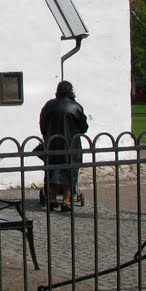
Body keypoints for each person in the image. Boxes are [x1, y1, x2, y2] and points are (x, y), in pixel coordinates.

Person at [39, 80, 89, 212]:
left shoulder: (49, 105)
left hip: (53, 144)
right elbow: (83, 128)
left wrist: (47, 135)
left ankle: (52, 199)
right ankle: (66, 202)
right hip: (71, 145)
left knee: (53, 171)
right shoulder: (75, 107)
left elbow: (42, 124)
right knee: (70, 173)